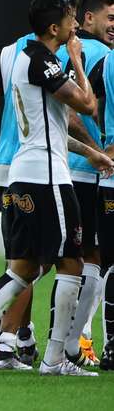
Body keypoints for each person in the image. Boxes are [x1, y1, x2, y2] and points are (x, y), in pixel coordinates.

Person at [0, 0, 109, 377]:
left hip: (27, 171)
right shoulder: (41, 60)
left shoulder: (21, 57)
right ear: (53, 26)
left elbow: (49, 128)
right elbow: (87, 104)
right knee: (72, 261)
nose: (75, 24)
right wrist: (78, 62)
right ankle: (55, 357)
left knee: (24, 268)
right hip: (47, 177)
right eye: (70, 17)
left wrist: (91, 153)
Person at [57, 0, 114, 366]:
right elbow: (80, 109)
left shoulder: (53, 51)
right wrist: (98, 151)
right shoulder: (101, 55)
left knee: (59, 261)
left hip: (58, 165)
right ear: (88, 19)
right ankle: (76, 344)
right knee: (93, 259)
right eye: (109, 17)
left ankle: (24, 338)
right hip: (90, 170)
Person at [94, 51, 114, 370]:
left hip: (108, 175)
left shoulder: (107, 61)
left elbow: (94, 104)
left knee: (110, 263)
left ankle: (111, 345)